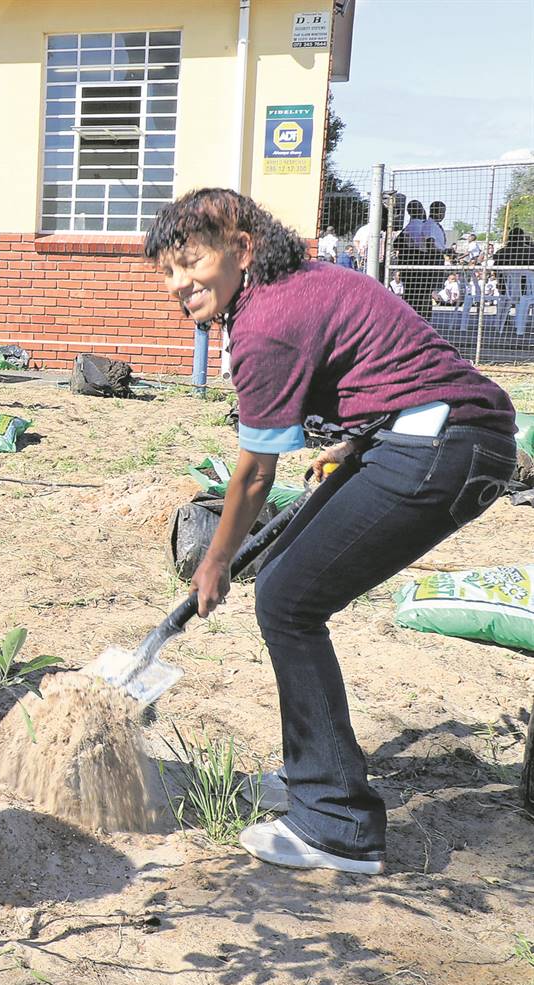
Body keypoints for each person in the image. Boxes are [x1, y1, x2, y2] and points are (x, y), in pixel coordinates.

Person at [145, 188, 516, 876]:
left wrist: (216, 560)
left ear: (243, 250)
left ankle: (338, 825)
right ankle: (315, 775)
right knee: (290, 579)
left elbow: (255, 476)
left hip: (444, 446)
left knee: (286, 598)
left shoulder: (266, 322)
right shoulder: (304, 283)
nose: (177, 284)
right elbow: (385, 364)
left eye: (189, 262)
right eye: (167, 270)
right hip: (435, 436)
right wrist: (350, 442)